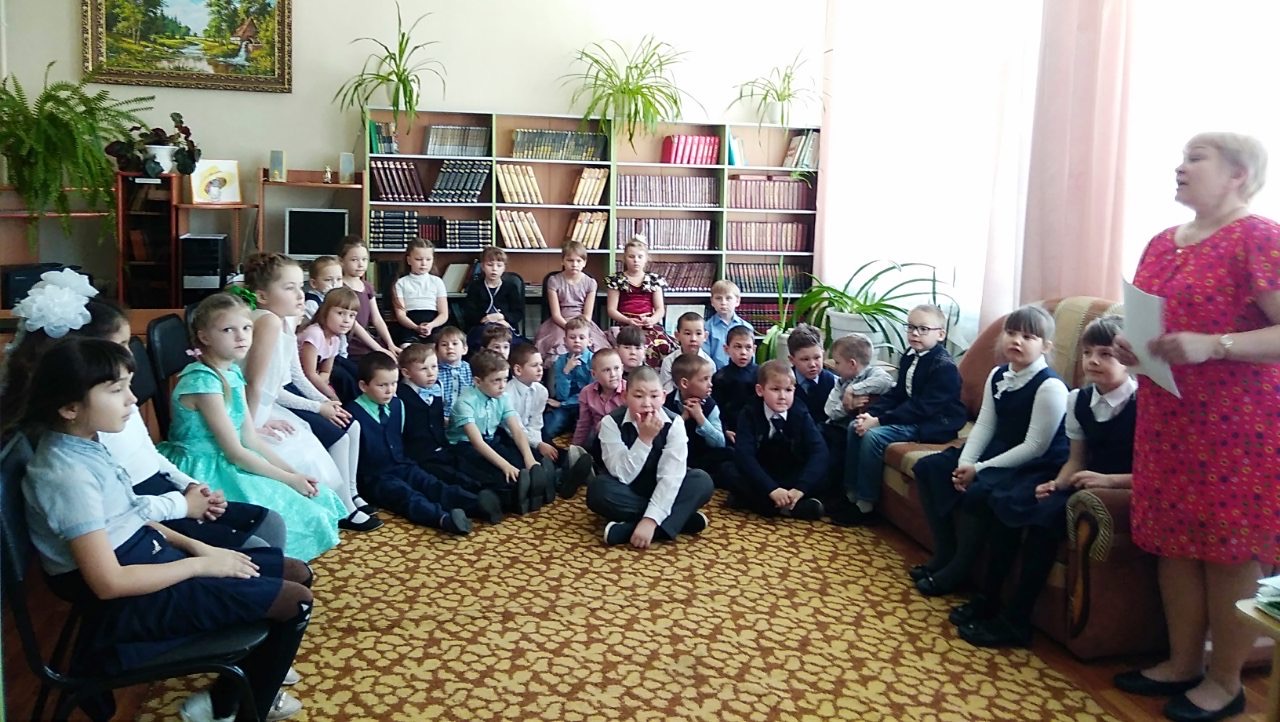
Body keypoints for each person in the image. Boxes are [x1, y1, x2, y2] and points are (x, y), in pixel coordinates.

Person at [18, 337, 311, 722]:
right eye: (116, 390)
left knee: (297, 572)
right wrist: (200, 566)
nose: (131, 399)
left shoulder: (87, 443)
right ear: (70, 407)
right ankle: (230, 708)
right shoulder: (66, 474)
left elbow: (130, 516)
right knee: (295, 601)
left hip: (147, 555)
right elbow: (108, 583)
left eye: (128, 386)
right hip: (127, 595)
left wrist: (199, 548)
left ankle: (242, 687)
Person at [1111, 132, 1280, 722]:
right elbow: (1151, 322)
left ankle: (1225, 681)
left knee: (1229, 551)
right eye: (1182, 157)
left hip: (1239, 425)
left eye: (1195, 158)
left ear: (1238, 174)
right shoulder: (1162, 242)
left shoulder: (1259, 237)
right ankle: (1181, 663)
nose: (1179, 167)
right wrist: (1132, 348)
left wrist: (1216, 344)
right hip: (1168, 418)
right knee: (1173, 543)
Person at [3, 277, 286, 552]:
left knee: (270, 524)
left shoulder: (118, 406)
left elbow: (148, 453)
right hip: (148, 510)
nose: (130, 355)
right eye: (121, 345)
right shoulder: (87, 430)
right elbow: (121, 506)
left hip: (165, 491)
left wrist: (189, 484)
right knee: (258, 548)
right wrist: (183, 506)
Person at [955, 315, 1136, 649]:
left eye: (1106, 354)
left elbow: (1152, 473)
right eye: (1088, 353)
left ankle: (1017, 620)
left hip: (1117, 490)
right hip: (1080, 482)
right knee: (1007, 501)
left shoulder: (1142, 405)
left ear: (1130, 359)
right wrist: (1057, 483)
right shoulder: (1079, 399)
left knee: (1042, 521)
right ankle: (989, 599)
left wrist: (1107, 481)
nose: (1093, 361)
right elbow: (1076, 459)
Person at [158, 293, 347, 562]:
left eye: (247, 328)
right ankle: (275, 568)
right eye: (228, 330)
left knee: (318, 495)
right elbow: (235, 452)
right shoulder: (204, 382)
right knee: (299, 514)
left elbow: (250, 438)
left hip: (229, 458)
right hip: (204, 467)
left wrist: (294, 474)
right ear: (204, 337)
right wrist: (288, 480)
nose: (241, 337)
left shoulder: (232, 372)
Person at [909, 305, 1068, 598]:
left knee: (980, 491)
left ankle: (959, 569)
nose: (1016, 340)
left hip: (1030, 462)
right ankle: (945, 553)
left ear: (1045, 346)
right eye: (1011, 333)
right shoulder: (998, 374)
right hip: (996, 449)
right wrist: (966, 462)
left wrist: (978, 470)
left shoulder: (1050, 387)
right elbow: (984, 425)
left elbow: (1035, 447)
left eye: (1028, 336)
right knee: (929, 468)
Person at [239, 253, 378, 533]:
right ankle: (344, 506)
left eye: (299, 286)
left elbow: (296, 375)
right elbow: (258, 386)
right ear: (262, 296)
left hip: (268, 402)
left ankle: (350, 494)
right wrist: (251, 426)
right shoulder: (268, 322)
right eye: (289, 288)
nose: (300, 294)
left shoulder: (284, 321)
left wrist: (325, 401)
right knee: (333, 437)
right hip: (258, 408)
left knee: (349, 423)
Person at [836, 304, 965, 526]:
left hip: (933, 423)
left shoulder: (944, 367)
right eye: (911, 327)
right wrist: (870, 414)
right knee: (855, 425)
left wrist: (879, 421)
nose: (915, 333)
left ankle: (865, 504)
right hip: (912, 414)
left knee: (873, 436)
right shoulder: (909, 356)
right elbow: (898, 394)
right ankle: (851, 493)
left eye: (923, 329)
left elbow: (923, 407)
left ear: (941, 334)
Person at [344, 352, 501, 533]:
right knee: (407, 496)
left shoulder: (397, 404)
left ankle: (476, 504)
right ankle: (443, 519)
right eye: (382, 385)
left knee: (431, 484)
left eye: (394, 384)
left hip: (402, 464)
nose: (389, 390)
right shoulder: (352, 413)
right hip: (375, 476)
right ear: (363, 386)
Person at [587, 366, 714, 548]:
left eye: (654, 396)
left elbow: (671, 477)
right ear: (625, 397)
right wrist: (644, 439)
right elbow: (623, 474)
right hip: (629, 489)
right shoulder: (611, 423)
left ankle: (631, 529)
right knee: (598, 490)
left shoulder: (675, 423)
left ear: (663, 397)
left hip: (663, 486)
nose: (647, 403)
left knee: (701, 481)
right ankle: (680, 519)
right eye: (639, 396)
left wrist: (650, 521)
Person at [723, 359, 829, 520]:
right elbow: (745, 455)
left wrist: (800, 488)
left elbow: (819, 450)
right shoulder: (749, 412)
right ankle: (787, 508)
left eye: (788, 390)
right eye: (775, 389)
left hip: (791, 472)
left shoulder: (800, 412)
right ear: (760, 390)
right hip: (763, 471)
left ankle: (759, 502)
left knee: (826, 473)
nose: (782, 396)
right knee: (728, 470)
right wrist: (771, 489)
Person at [447, 349, 547, 513]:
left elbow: (517, 430)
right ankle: (514, 497)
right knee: (499, 474)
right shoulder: (464, 403)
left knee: (523, 464)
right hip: (464, 446)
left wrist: (529, 458)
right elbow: (477, 443)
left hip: (490, 440)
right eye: (496, 381)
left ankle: (535, 489)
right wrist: (506, 466)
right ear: (478, 382)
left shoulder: (502, 396)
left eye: (505, 379)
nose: (502, 386)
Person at [504, 343, 592, 503]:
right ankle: (558, 479)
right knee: (532, 456)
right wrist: (537, 444)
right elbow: (513, 429)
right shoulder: (507, 394)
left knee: (554, 452)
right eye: (534, 365)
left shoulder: (541, 391)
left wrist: (540, 442)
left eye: (540, 364)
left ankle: (564, 475)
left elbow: (536, 423)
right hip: (510, 436)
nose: (540, 369)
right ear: (518, 370)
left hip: (533, 433)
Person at [394, 343, 481, 491]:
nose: (431, 373)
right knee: (454, 479)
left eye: (434, 367)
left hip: (443, 446)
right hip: (421, 454)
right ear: (406, 373)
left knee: (471, 466)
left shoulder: (437, 387)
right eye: (423, 369)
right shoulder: (401, 396)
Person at [605, 236, 674, 367]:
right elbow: (611, 310)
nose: (636, 260)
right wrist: (628, 320)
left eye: (640, 257)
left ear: (646, 258)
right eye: (631, 256)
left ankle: (654, 376)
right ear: (625, 258)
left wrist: (652, 320)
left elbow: (660, 309)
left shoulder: (654, 280)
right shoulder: (617, 280)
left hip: (648, 324)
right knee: (631, 346)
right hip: (625, 324)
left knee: (663, 346)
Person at [534, 240, 611, 356]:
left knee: (594, 346)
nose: (574, 264)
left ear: (584, 262)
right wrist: (569, 329)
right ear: (562, 261)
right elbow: (556, 314)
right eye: (570, 260)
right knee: (558, 345)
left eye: (579, 261)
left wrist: (578, 330)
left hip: (582, 323)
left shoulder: (590, 283)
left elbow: (587, 315)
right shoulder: (554, 281)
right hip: (560, 322)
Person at [665, 352, 733, 474]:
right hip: (674, 458)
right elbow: (662, 439)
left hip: (704, 459)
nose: (710, 384)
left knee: (729, 455)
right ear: (684, 383)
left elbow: (720, 443)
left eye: (710, 378)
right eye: (704, 379)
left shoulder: (710, 405)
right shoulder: (666, 404)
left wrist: (700, 418)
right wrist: (682, 419)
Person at [297, 286, 360, 404]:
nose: (347, 320)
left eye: (352, 315)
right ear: (325, 312)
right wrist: (332, 396)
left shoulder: (335, 340)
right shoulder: (314, 334)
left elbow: (326, 372)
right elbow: (309, 374)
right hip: (298, 383)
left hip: (315, 382)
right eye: (340, 313)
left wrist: (326, 389)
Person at [338, 237, 399, 359]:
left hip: (368, 339)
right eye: (354, 260)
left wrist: (390, 344)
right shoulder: (340, 287)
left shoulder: (367, 286)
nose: (361, 264)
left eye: (364, 259)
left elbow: (377, 319)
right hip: (351, 342)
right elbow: (354, 325)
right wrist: (378, 348)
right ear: (341, 261)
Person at [462, 246, 527, 349]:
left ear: (504, 267)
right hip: (481, 328)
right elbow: (469, 313)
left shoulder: (510, 287)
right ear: (482, 266)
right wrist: (486, 318)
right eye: (490, 265)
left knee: (517, 345)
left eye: (499, 265)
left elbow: (518, 313)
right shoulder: (475, 287)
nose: (494, 269)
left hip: (505, 326)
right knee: (479, 343)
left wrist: (502, 317)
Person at [543, 316, 594, 442]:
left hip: (587, 406)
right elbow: (562, 395)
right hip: (565, 406)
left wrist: (563, 404)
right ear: (565, 341)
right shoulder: (560, 361)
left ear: (589, 341)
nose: (577, 341)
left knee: (586, 433)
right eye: (572, 337)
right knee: (549, 428)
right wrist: (566, 372)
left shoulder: (594, 361)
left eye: (581, 337)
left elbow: (590, 394)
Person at [390, 239, 449, 346]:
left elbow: (444, 314)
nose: (423, 263)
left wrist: (431, 325)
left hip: (433, 325)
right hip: (409, 325)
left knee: (435, 350)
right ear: (409, 260)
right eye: (418, 259)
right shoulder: (401, 283)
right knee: (408, 349)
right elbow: (400, 314)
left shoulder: (437, 282)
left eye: (428, 259)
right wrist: (416, 327)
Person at [712, 325, 759, 445]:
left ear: (754, 349)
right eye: (738, 347)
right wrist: (724, 429)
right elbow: (717, 408)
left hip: (756, 430)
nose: (743, 352)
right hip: (731, 430)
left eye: (748, 347)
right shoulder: (720, 377)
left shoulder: (761, 375)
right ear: (726, 349)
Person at [787, 323, 837, 425]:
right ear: (792, 359)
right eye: (805, 359)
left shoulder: (834, 382)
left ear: (823, 354)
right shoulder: (785, 384)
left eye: (817, 357)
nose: (812, 364)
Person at [659, 311, 714, 393]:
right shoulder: (669, 362)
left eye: (698, 333)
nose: (693, 339)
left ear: (705, 336)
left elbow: (709, 391)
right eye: (687, 333)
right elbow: (667, 391)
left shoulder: (709, 363)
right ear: (677, 336)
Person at [705, 280, 752, 370]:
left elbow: (750, 356)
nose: (723, 302)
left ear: (737, 301)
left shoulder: (747, 327)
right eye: (718, 298)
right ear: (712, 301)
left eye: (728, 298)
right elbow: (706, 357)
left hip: (742, 373)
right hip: (716, 373)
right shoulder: (707, 327)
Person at [434, 325, 472, 421]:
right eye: (444, 345)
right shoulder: (434, 370)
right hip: (441, 417)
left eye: (455, 344)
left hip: (465, 416)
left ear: (464, 349)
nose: (450, 347)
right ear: (437, 351)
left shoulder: (469, 369)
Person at [302, 255, 343, 324]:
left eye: (339, 279)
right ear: (314, 283)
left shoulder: (340, 298)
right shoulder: (311, 303)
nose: (335, 284)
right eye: (328, 280)